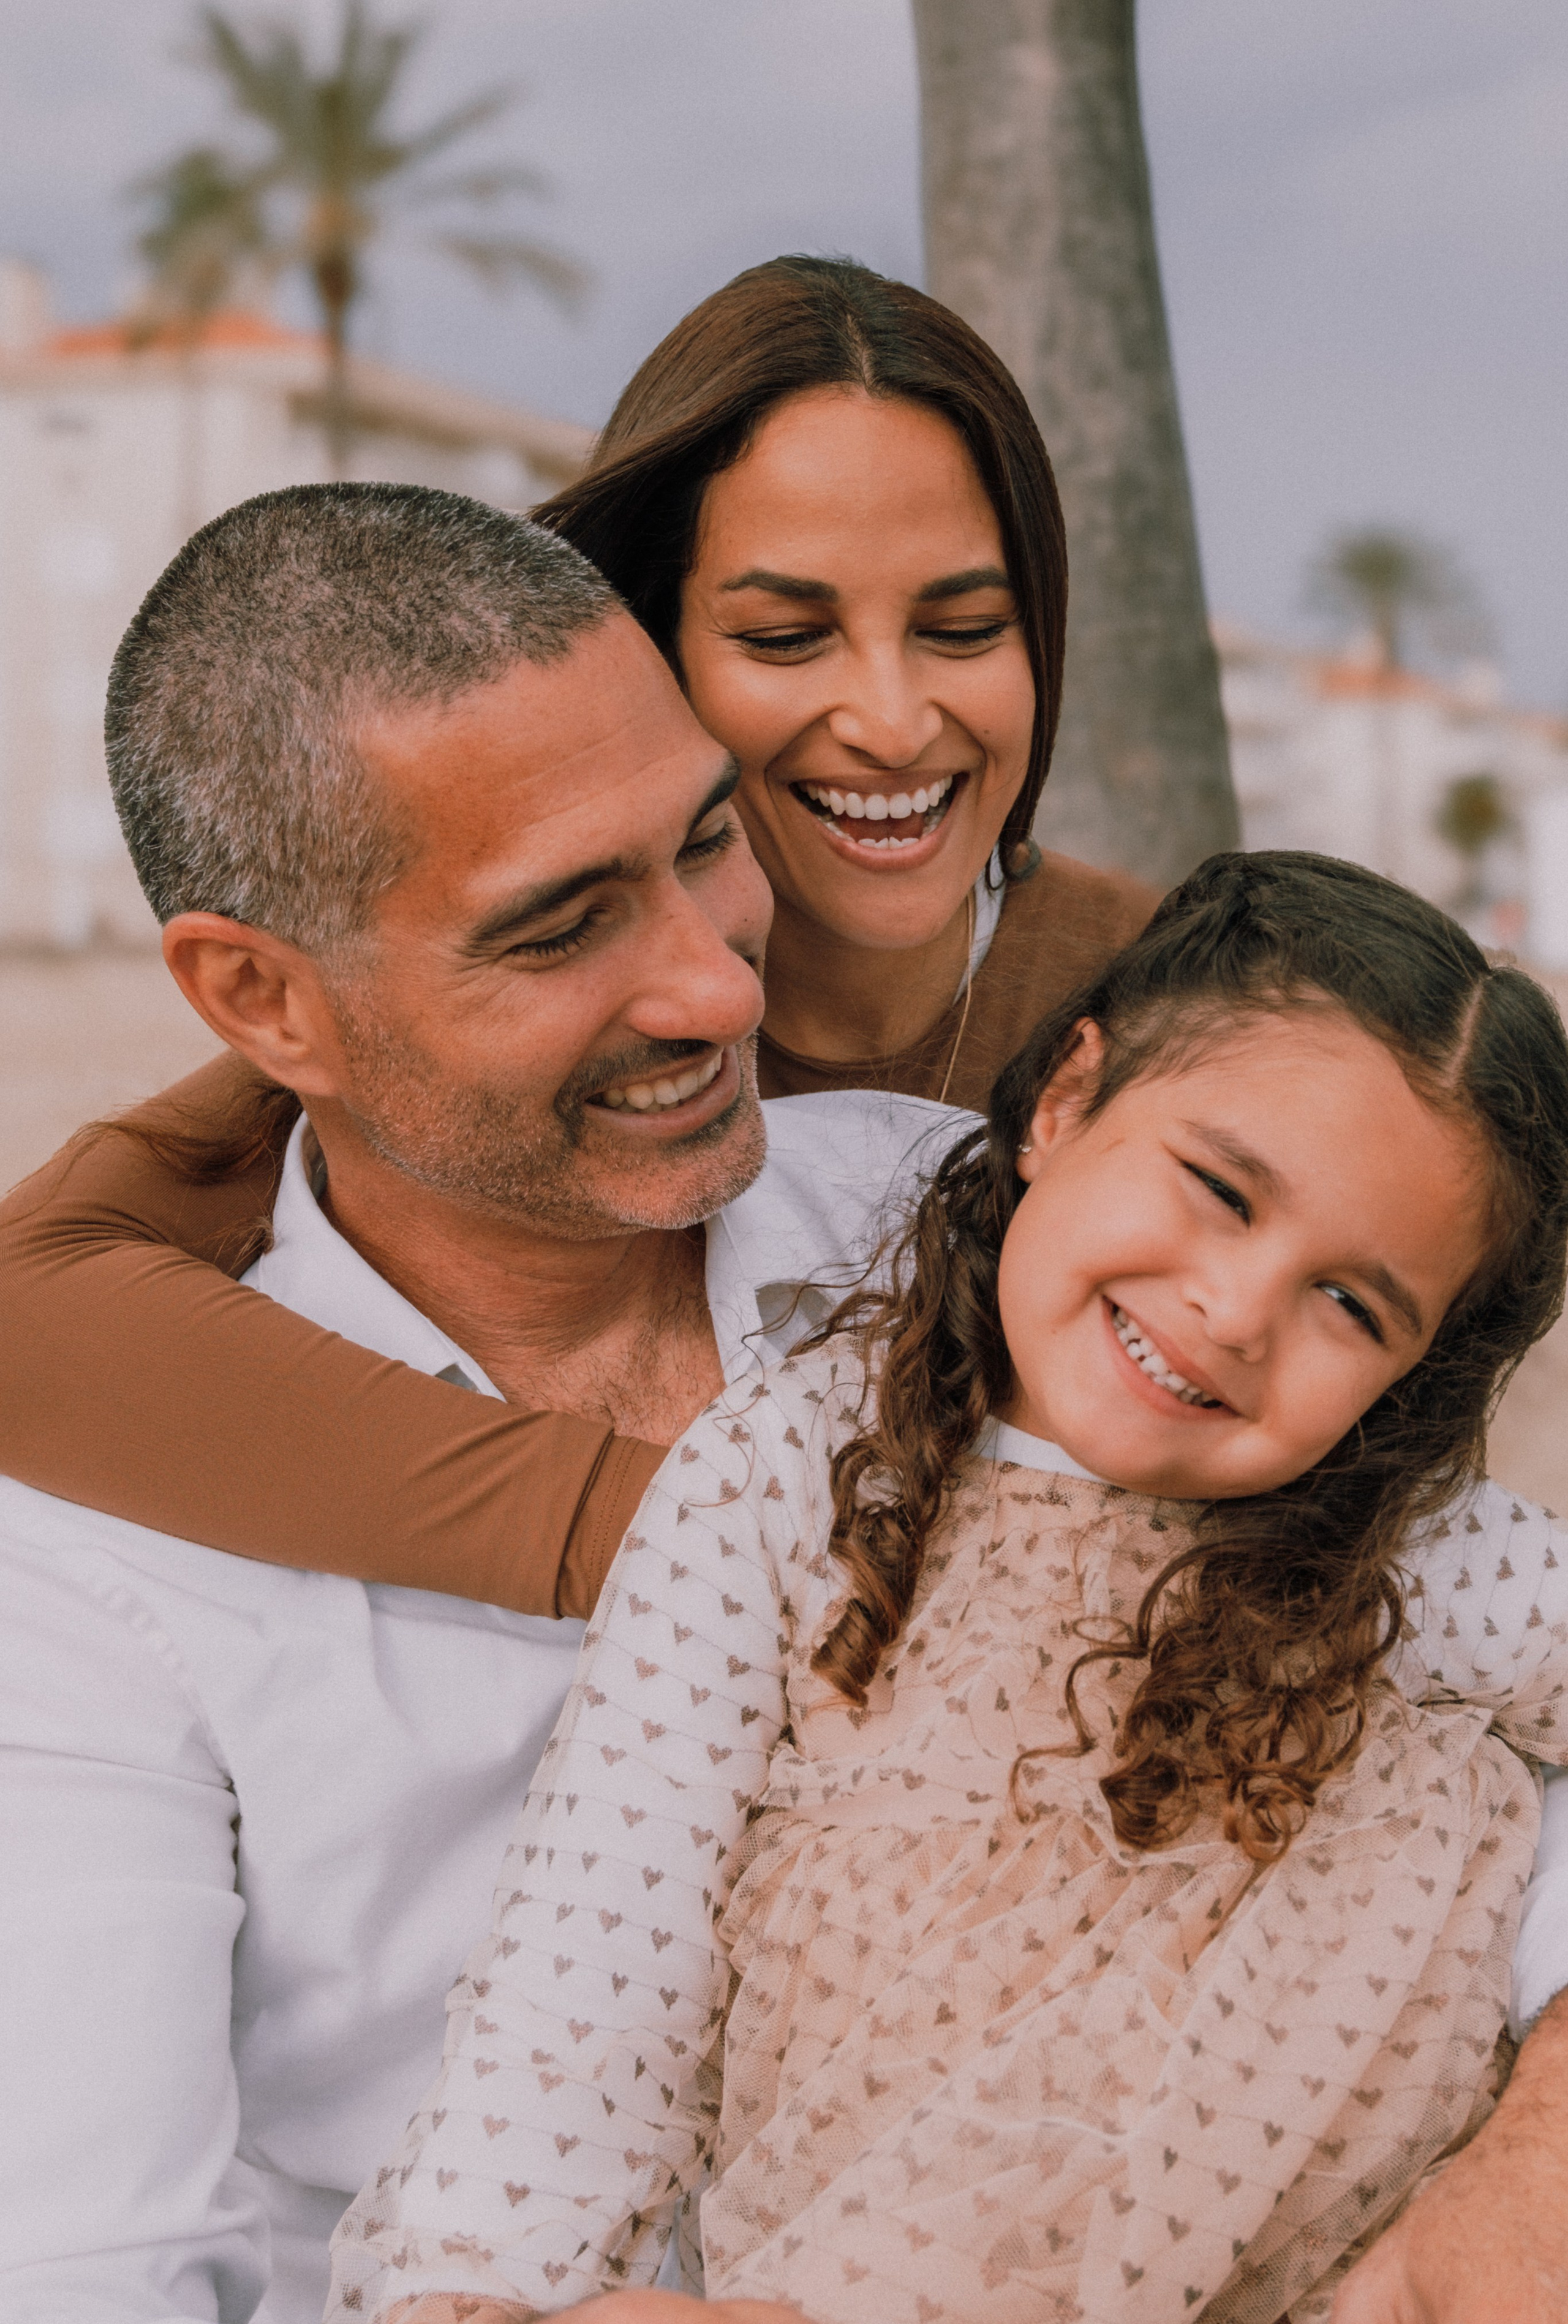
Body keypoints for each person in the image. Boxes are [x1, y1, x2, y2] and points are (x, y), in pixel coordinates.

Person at [323, 853, 1568, 2324]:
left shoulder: (1414, 1559)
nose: (1236, 1313)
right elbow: (594, 1958)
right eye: (1220, 1190)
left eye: (1350, 1303)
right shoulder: (795, 1472)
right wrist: (472, 2292)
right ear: (1065, 1100)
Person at [0, 483, 974, 2322]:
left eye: (707, 840)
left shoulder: (969, 1230)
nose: (718, 983)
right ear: (260, 1000)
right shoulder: (85, 1580)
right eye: (558, 929)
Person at [0, 255, 1157, 1611]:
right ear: (644, 648)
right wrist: (707, 1547)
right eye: (785, 638)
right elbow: (32, 1312)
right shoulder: (422, 1051)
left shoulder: (1185, 998)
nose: (893, 722)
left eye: (963, 627)